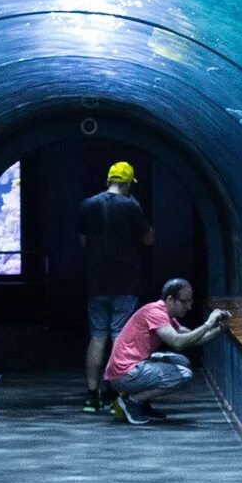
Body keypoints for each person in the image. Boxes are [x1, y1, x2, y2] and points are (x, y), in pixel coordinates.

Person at [76, 159, 152, 411]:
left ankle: (92, 395)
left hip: (96, 282)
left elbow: (83, 241)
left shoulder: (88, 204)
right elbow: (148, 239)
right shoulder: (132, 206)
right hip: (125, 282)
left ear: (108, 180)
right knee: (120, 337)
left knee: (97, 336)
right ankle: (119, 392)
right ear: (128, 183)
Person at [104, 278, 229, 423]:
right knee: (184, 375)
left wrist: (219, 329)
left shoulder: (165, 314)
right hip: (124, 374)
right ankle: (132, 401)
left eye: (190, 301)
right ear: (170, 300)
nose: (189, 307)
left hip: (131, 369)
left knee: (181, 361)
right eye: (185, 301)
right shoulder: (155, 313)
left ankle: (142, 403)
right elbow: (178, 343)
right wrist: (208, 324)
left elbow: (192, 338)